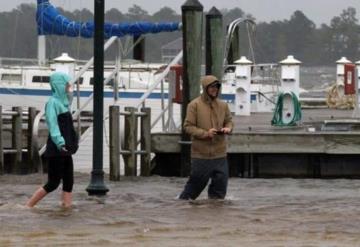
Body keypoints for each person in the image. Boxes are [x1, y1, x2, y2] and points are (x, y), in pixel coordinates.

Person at [26, 71, 78, 208]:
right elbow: (53, 125)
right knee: (53, 183)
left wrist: (73, 143)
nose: (69, 89)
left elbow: (69, 129)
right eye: (67, 86)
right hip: (57, 149)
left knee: (69, 182)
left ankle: (66, 209)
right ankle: (28, 206)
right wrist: (60, 143)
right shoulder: (52, 103)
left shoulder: (65, 104)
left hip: (66, 149)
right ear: (59, 86)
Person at [179, 75, 233, 200]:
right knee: (193, 190)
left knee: (220, 190)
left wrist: (228, 128)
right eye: (212, 87)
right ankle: (181, 209)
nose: (215, 89)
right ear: (205, 88)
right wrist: (206, 133)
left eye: (217, 87)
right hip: (201, 155)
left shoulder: (223, 105)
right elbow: (187, 127)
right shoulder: (194, 105)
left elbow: (229, 121)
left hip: (220, 154)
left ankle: (214, 215)